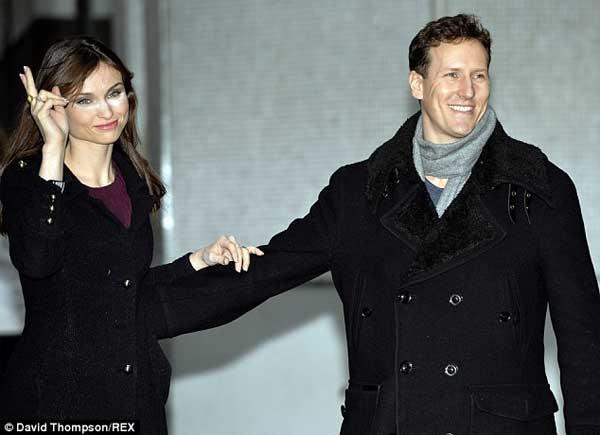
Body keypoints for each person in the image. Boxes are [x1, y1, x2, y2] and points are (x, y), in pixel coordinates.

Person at [157, 14, 600, 435]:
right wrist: (143, 309)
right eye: (451, 74)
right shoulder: (359, 192)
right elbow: (266, 271)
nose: (467, 90)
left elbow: (583, 338)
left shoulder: (537, 189)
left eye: (479, 75)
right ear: (417, 83)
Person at [0, 36, 262, 432]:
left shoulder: (133, 179)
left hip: (135, 396)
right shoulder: (28, 178)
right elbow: (37, 261)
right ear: (56, 106)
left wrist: (200, 260)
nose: (107, 110)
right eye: (85, 100)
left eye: (114, 93)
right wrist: (53, 150)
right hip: (56, 403)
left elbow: (125, 289)